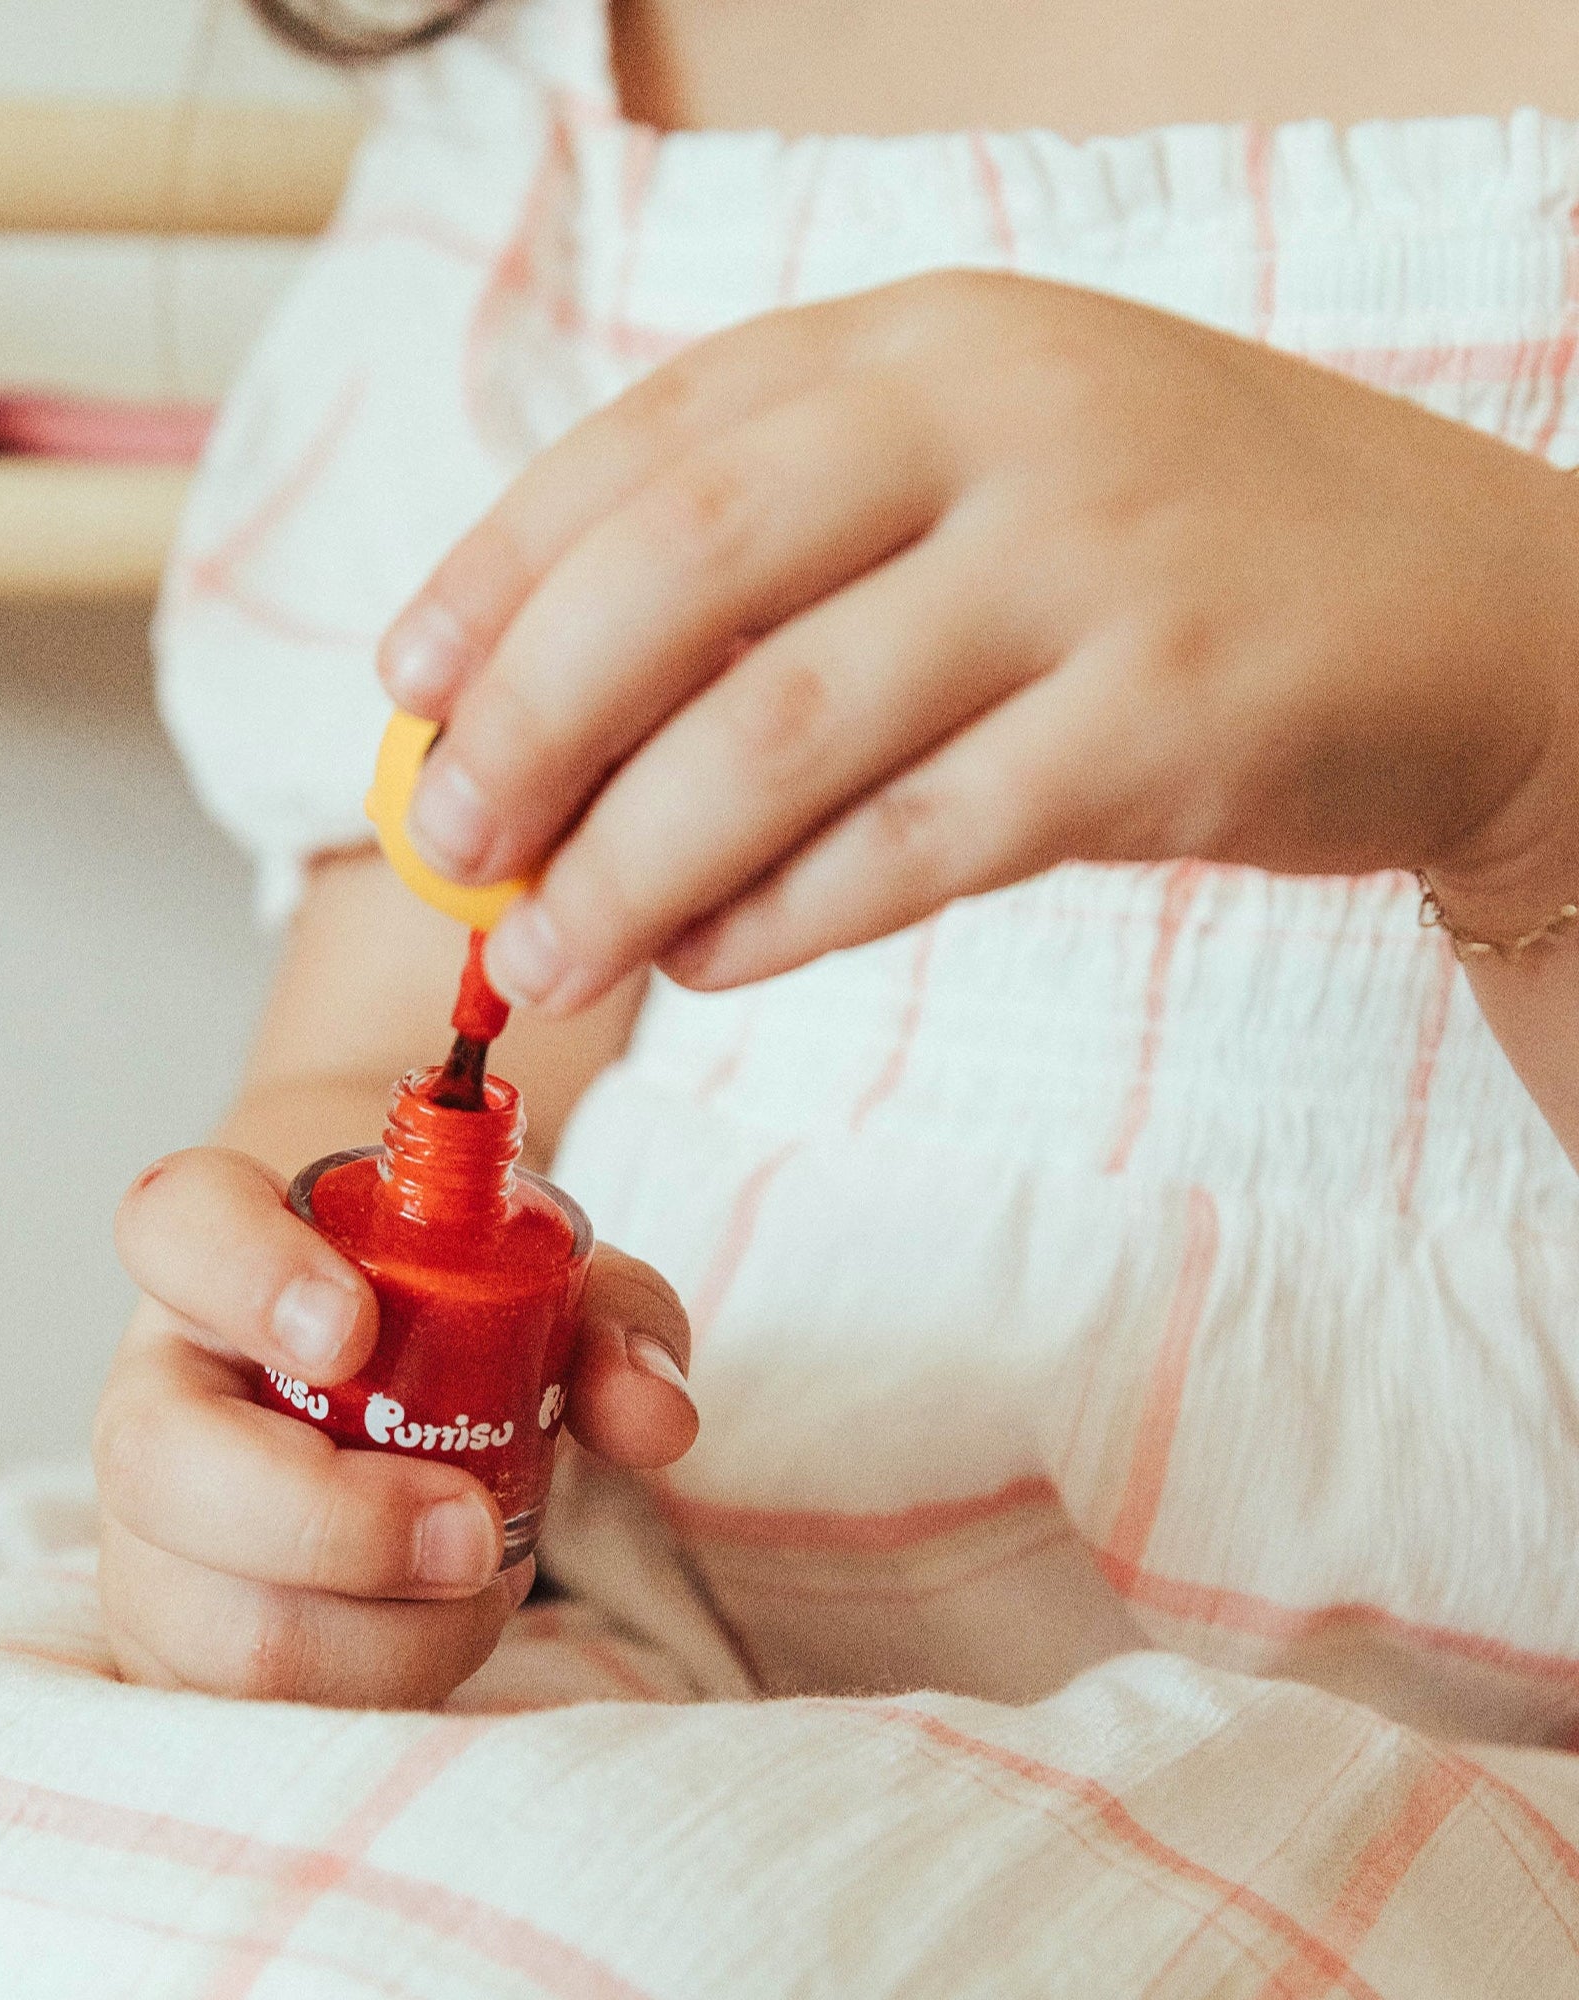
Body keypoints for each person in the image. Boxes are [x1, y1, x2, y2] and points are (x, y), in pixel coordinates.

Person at [103, 0, 1579, 1726]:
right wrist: (279, 1450)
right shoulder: (574, 109)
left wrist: (1531, 744)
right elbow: (392, 1061)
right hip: (668, 1664)